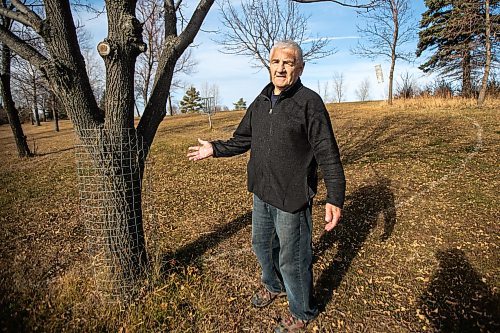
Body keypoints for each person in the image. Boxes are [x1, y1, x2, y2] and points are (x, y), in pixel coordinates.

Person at [187, 40, 346, 332]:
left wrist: (335, 196)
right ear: (269, 65)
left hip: (291, 197)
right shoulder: (261, 101)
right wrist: (215, 148)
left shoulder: (309, 102)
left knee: (293, 259)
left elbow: (327, 152)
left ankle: (302, 311)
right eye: (276, 62)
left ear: (300, 68)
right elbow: (242, 139)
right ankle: (273, 286)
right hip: (262, 192)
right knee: (261, 246)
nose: (281, 68)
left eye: (288, 62)